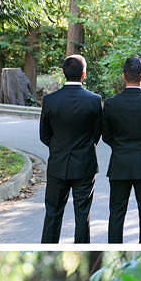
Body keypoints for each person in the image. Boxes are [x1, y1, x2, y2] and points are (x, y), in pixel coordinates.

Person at [39, 54, 103, 243]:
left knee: (52, 214)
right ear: (84, 74)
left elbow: (44, 135)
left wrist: (58, 148)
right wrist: (84, 146)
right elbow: (97, 133)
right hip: (84, 164)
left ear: (63, 73)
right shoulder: (94, 100)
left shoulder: (50, 100)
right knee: (82, 214)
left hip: (58, 164)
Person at [100, 55, 141, 244]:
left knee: (117, 213)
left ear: (123, 76)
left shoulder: (111, 104)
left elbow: (106, 135)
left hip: (120, 164)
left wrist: (120, 147)